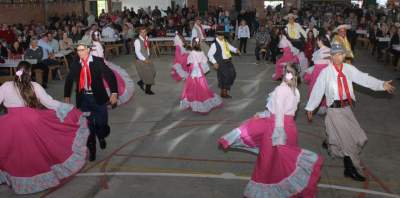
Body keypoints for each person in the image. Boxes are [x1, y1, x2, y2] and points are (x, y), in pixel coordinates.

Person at [218, 63, 323, 197]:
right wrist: (262, 115)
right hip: (290, 129)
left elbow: (279, 114)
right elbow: (284, 112)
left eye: (284, 71)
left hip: (276, 131)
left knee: (267, 164)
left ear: (287, 74)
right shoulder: (295, 90)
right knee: (283, 166)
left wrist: (278, 137)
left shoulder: (281, 90)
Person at [306, 43, 395, 182]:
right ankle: (351, 168)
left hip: (347, 110)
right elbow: (318, 89)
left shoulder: (348, 69)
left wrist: (381, 84)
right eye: (334, 54)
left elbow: (364, 78)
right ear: (331, 56)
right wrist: (310, 107)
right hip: (334, 112)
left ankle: (331, 142)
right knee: (349, 143)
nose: (337, 57)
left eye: (340, 54)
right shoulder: (326, 73)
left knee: (358, 137)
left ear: (343, 55)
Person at [0, 61, 89, 194]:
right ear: (30, 73)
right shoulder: (34, 86)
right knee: (36, 150)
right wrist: (67, 108)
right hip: (32, 121)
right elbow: (49, 103)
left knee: (14, 152)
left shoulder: (6, 86)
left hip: (11, 123)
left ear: (16, 71)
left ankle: (18, 178)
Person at [64, 39, 118, 161]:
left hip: (98, 97)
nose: (79, 52)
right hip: (83, 99)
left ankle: (101, 135)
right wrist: (67, 95)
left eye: (82, 50)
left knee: (101, 124)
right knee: (87, 126)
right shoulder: (75, 63)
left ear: (88, 50)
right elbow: (69, 79)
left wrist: (114, 93)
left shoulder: (98, 62)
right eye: (77, 50)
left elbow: (110, 76)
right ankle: (92, 149)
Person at [180, 38, 222, 114]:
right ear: (199, 44)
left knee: (193, 86)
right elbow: (205, 60)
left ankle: (194, 100)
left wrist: (190, 65)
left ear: (192, 43)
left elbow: (190, 62)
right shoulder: (201, 51)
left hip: (194, 70)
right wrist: (202, 68)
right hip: (199, 70)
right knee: (202, 85)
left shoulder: (192, 52)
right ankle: (201, 99)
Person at [91, 31, 134, 105]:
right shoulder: (96, 44)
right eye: (96, 35)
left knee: (106, 81)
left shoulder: (93, 44)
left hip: (98, 64)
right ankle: (108, 98)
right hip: (100, 64)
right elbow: (99, 56)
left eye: (98, 35)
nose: (97, 37)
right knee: (107, 80)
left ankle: (108, 98)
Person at [303, 34, 331, 115]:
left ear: (321, 41)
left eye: (318, 40)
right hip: (318, 71)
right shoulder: (320, 50)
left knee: (317, 89)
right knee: (316, 89)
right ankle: (315, 105)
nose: (317, 42)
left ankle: (320, 106)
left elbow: (330, 62)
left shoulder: (327, 50)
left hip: (321, 72)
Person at [208, 31, 240, 98]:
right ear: (216, 35)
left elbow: (230, 47)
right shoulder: (214, 44)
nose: (222, 37)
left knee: (233, 74)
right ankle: (224, 92)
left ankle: (223, 90)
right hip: (220, 62)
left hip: (228, 60)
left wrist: (235, 50)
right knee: (226, 76)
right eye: (220, 35)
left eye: (223, 35)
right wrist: (214, 62)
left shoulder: (224, 41)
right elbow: (209, 55)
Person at [134, 27, 156, 95]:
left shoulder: (146, 38)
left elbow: (147, 48)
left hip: (147, 58)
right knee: (148, 75)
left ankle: (141, 82)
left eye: (145, 31)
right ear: (139, 33)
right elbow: (137, 52)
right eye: (142, 32)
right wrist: (144, 59)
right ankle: (147, 90)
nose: (144, 33)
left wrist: (148, 55)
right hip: (141, 60)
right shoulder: (137, 41)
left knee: (153, 72)